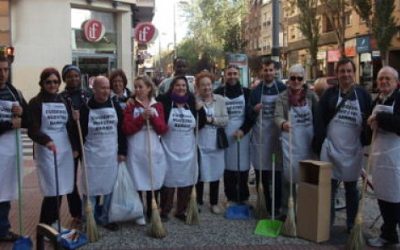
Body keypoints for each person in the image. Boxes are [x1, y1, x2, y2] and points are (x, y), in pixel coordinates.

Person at [317, 57, 372, 232]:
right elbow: (319, 120)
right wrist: (320, 144)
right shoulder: (329, 94)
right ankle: (327, 223)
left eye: (349, 71)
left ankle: (351, 226)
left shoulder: (363, 95)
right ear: (337, 74)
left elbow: (369, 121)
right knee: (330, 190)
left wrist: (367, 140)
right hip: (331, 148)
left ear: (353, 73)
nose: (346, 74)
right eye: (342, 71)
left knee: (352, 190)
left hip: (352, 150)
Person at [28, 68, 77, 229]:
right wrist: (46, 141)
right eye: (48, 82)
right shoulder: (36, 102)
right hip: (47, 149)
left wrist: (75, 147)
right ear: (42, 83)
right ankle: (45, 225)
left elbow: (70, 126)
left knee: (62, 186)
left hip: (64, 149)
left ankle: (54, 222)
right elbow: (32, 129)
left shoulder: (64, 100)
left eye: (55, 82)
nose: (52, 85)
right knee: (51, 188)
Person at [79, 76, 127, 231]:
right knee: (90, 188)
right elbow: (79, 132)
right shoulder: (86, 108)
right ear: (94, 89)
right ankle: (88, 219)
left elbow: (121, 130)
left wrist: (122, 151)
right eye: (102, 88)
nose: (106, 91)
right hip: (92, 155)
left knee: (109, 188)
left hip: (110, 154)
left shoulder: (115, 105)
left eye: (108, 88)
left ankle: (106, 218)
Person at [157, 76, 206, 221]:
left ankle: (181, 210)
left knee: (186, 180)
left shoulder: (191, 102)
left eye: (183, 86)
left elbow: (201, 123)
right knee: (168, 180)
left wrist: (200, 109)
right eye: (178, 85)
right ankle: (165, 210)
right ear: (172, 87)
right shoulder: (164, 101)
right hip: (168, 148)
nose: (181, 88)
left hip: (187, 149)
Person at [122, 76, 168, 220]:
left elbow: (162, 129)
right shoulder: (130, 105)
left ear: (149, 88)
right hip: (136, 150)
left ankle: (152, 210)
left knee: (152, 180)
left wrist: (152, 117)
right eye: (135, 87)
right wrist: (141, 117)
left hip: (152, 149)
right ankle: (139, 210)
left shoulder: (157, 105)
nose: (137, 90)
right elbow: (126, 128)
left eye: (141, 87)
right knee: (137, 181)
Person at [274, 64, 319, 207]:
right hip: (291, 143)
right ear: (288, 80)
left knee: (308, 176)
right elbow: (277, 115)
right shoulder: (282, 97)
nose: (296, 81)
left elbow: (319, 115)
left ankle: (306, 210)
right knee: (289, 177)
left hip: (308, 142)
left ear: (304, 80)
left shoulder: (312, 96)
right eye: (293, 78)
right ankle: (288, 211)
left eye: (299, 78)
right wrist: (282, 123)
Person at [366, 66, 400, 248]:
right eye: (381, 79)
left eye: (388, 78)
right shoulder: (377, 99)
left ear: (396, 82)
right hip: (379, 155)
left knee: (396, 197)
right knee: (382, 196)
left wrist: (379, 118)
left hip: (396, 157)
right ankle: (388, 235)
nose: (384, 82)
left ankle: (392, 231)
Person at [249, 59, 286, 215]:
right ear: (261, 72)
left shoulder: (282, 88)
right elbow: (249, 114)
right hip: (261, 135)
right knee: (261, 173)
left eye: (271, 70)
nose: (268, 73)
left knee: (277, 174)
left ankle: (276, 206)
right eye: (266, 70)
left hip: (277, 135)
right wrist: (254, 110)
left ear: (275, 71)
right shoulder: (256, 91)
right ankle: (263, 204)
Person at [214, 65, 253, 206]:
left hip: (243, 134)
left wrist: (243, 130)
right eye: (229, 73)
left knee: (243, 166)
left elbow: (251, 116)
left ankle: (243, 196)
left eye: (235, 73)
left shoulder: (248, 93)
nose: (232, 76)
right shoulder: (218, 93)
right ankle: (230, 196)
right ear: (225, 75)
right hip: (225, 134)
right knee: (227, 166)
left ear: (239, 75)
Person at [0, 56, 29, 242]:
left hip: (9, 153)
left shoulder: (14, 93)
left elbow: (28, 118)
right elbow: (14, 124)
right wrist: (11, 123)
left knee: (5, 191)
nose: (2, 74)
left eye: (5, 70)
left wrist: (22, 113)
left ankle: (3, 229)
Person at [60, 64, 91, 229]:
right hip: (70, 146)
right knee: (70, 181)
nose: (73, 79)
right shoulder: (61, 98)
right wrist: (73, 146)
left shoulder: (88, 95)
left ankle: (91, 208)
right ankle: (76, 212)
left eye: (76, 76)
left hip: (88, 144)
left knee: (90, 177)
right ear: (65, 78)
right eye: (70, 76)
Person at [194, 71, 228, 214]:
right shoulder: (195, 101)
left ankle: (214, 202)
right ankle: (198, 201)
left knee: (215, 172)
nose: (206, 88)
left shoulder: (220, 100)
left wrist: (212, 120)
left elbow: (225, 120)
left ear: (212, 85)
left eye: (208, 84)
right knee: (200, 173)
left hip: (215, 143)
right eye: (203, 85)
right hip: (199, 142)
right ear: (198, 87)